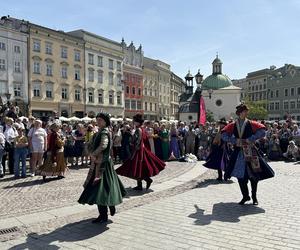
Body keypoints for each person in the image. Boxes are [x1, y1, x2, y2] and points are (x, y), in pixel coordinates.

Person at [221, 104, 275, 205]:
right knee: (240, 176)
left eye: (246, 111)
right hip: (238, 153)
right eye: (245, 111)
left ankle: (254, 197)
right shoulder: (233, 125)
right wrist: (234, 140)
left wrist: (250, 139)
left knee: (254, 175)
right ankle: (245, 196)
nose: (246, 113)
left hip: (251, 151)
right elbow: (223, 134)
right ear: (240, 113)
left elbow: (262, 130)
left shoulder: (250, 123)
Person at [78, 113, 126, 223]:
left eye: (100, 120)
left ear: (105, 121)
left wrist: (94, 154)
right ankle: (108, 207)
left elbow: (104, 145)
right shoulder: (99, 131)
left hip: (102, 165)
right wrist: (88, 145)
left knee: (99, 188)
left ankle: (105, 213)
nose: (98, 121)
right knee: (103, 187)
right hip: (100, 163)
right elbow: (93, 143)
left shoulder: (104, 132)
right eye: (97, 120)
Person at [116, 114, 166, 190]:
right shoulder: (142, 129)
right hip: (141, 150)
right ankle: (141, 184)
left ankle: (147, 180)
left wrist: (132, 142)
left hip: (139, 151)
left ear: (138, 122)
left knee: (137, 167)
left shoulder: (138, 130)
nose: (133, 122)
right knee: (139, 168)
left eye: (134, 121)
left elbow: (138, 140)